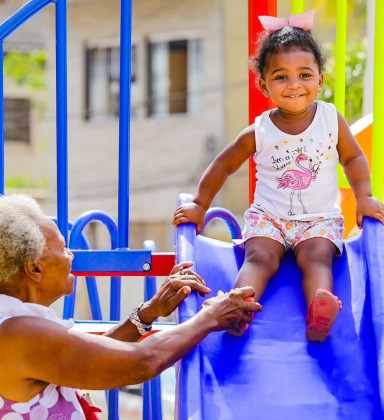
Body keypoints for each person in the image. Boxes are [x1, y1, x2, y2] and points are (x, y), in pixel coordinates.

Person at [173, 9, 384, 342]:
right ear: (264, 84)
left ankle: (320, 307)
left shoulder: (331, 119)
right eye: (281, 76)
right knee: (260, 257)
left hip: (318, 220)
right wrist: (200, 204)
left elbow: (354, 157)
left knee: (317, 257)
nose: (294, 84)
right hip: (269, 218)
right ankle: (239, 306)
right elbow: (223, 165)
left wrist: (364, 197)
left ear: (320, 79)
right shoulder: (260, 130)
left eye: (304, 74)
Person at [0, 194, 261, 419]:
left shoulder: (15, 325)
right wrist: (211, 316)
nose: (72, 255)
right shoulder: (18, 334)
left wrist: (148, 312)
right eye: (64, 248)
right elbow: (142, 362)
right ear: (35, 268)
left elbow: (89, 358)